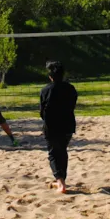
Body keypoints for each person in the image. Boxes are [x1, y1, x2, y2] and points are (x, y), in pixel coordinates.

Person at [39, 60, 78, 194]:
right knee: (62, 151)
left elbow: (42, 111)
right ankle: (62, 180)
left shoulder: (45, 90)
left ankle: (60, 182)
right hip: (67, 125)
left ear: (50, 76)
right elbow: (72, 106)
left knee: (53, 154)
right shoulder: (71, 89)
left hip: (51, 126)